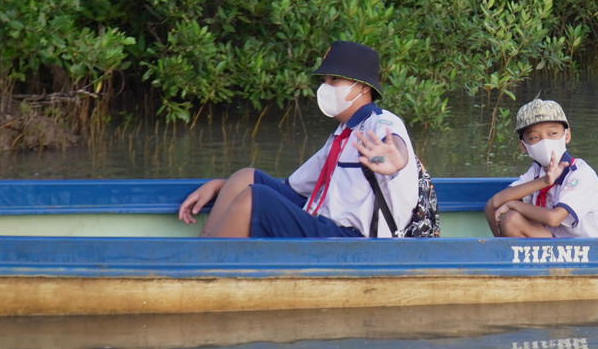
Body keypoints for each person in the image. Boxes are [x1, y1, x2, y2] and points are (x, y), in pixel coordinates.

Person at [177, 40, 418, 238]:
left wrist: (395, 161)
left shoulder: (381, 122)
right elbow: (294, 188)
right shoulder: (342, 135)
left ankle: (207, 271)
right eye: (324, 80)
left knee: (254, 199)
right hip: (323, 223)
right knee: (245, 178)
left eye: (335, 79)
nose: (325, 87)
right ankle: (201, 253)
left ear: (363, 87)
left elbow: (396, 147)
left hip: (354, 240)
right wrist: (222, 186)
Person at [484, 98, 598, 238]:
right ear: (523, 146)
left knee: (511, 219)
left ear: (567, 135)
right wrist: (544, 181)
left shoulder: (580, 173)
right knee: (502, 214)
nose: (545, 142)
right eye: (534, 137)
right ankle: (503, 249)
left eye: (552, 134)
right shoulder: (537, 170)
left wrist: (513, 205)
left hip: (591, 246)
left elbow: (554, 218)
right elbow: (495, 202)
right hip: (557, 241)